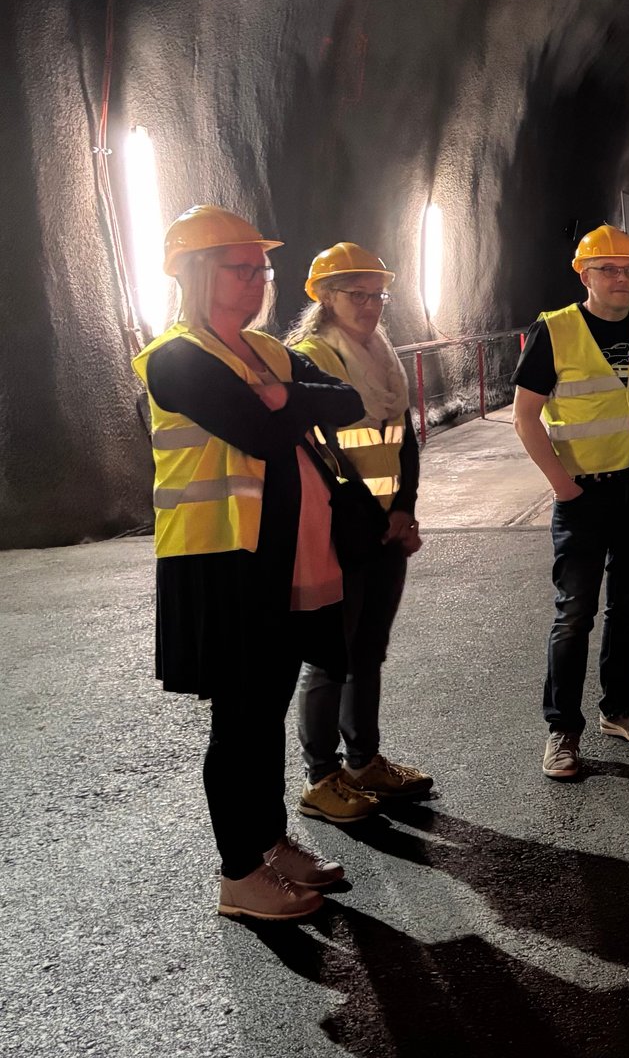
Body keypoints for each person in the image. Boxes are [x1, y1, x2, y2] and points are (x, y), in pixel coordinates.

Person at [134, 204, 365, 920]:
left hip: (283, 561)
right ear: (196, 273)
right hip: (221, 560)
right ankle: (239, 873)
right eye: (242, 268)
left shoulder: (268, 352)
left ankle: (268, 842)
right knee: (239, 721)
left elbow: (349, 400)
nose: (259, 280)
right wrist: (286, 405)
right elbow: (257, 433)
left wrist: (283, 393)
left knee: (264, 711)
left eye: (262, 269)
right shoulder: (175, 358)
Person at [512, 224, 629, 780]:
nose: (622, 279)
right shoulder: (555, 330)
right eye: (608, 269)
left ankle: (618, 709)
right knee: (574, 613)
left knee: (628, 607)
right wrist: (563, 486)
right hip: (584, 494)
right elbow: (525, 417)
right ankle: (563, 728)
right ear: (584, 275)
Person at [286, 243, 433, 822]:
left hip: (384, 528)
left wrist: (405, 508)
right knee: (330, 655)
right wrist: (381, 517)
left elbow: (403, 438)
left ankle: (363, 761)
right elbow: (321, 454)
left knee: (368, 650)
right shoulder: (311, 359)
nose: (370, 306)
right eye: (357, 295)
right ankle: (321, 778)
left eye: (378, 295)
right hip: (338, 530)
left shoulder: (383, 355)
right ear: (325, 297)